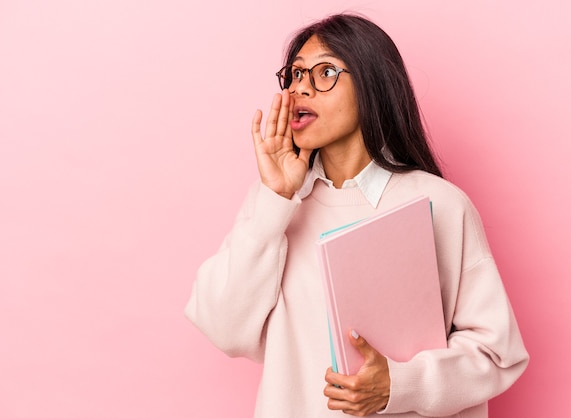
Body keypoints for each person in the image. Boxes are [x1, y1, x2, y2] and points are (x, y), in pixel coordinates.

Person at [185, 13, 529, 418]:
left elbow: (496, 354)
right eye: (294, 75)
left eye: (324, 72)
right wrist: (275, 198)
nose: (300, 90)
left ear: (371, 86)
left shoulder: (441, 205)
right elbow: (223, 328)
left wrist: (398, 386)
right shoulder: (275, 205)